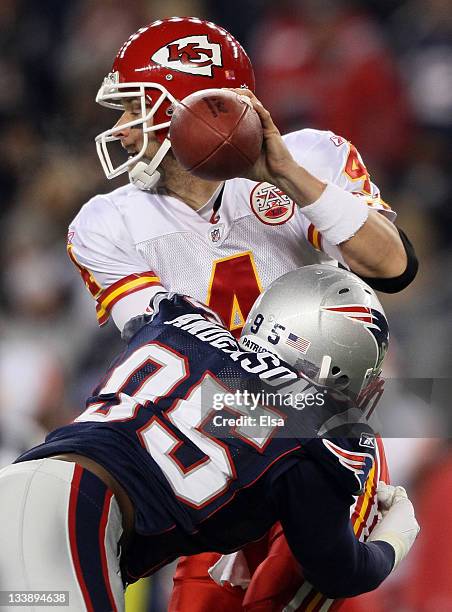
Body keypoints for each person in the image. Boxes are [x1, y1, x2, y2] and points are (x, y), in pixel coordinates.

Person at [66, 16, 418, 611]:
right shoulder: (105, 222)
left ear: (193, 106)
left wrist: (286, 174)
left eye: (136, 108)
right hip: (217, 458)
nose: (123, 130)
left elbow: (393, 267)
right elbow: (175, 347)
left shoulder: (311, 155)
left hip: (323, 441)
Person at [0, 267, 419, 612]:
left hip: (26, 485)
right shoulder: (312, 436)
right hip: (76, 513)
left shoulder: (180, 319)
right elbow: (337, 569)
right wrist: (393, 541)